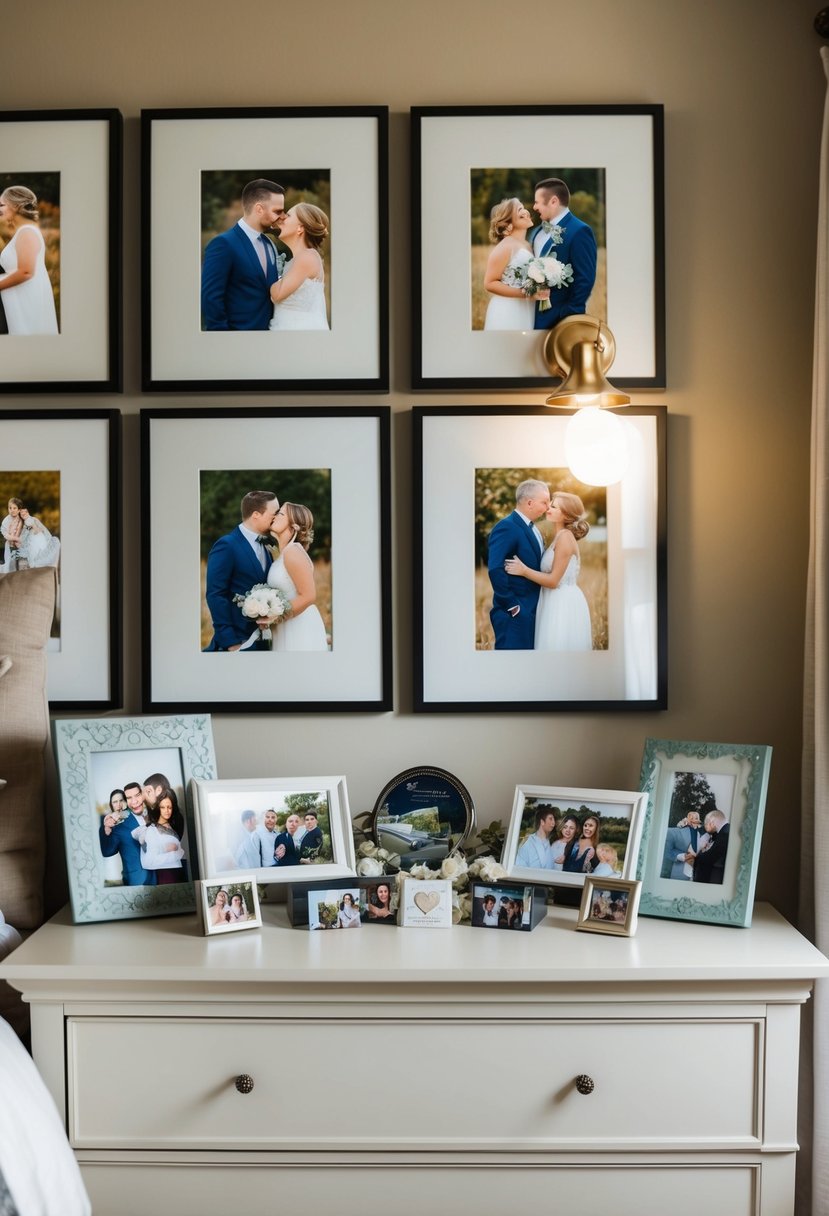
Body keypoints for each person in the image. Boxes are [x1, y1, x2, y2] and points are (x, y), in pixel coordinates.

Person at [504, 492, 592, 651]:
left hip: (562, 603)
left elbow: (553, 581)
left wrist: (523, 570)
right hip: (552, 600)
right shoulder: (559, 536)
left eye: (553, 507)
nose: (548, 509)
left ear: (565, 514)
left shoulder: (565, 537)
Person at [201, 179, 286, 331]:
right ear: (259, 209)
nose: (282, 217)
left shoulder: (269, 244)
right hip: (236, 341)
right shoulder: (223, 244)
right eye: (277, 211)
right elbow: (211, 298)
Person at [203, 489, 279, 651]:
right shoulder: (227, 545)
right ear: (256, 514)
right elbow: (216, 594)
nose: (277, 517)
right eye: (275, 513)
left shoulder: (268, 546)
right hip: (238, 642)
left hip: (263, 641)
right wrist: (230, 642)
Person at [486, 479, 551, 650]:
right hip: (514, 615)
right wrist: (513, 606)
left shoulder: (532, 527)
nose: (548, 507)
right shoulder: (507, 527)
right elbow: (495, 569)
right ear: (530, 502)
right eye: (544, 502)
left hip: (533, 611)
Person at [528, 177, 597, 330]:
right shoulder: (537, 232)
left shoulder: (580, 231)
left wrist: (567, 314)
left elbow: (585, 279)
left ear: (553, 201)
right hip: (529, 316)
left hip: (558, 321)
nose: (534, 207)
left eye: (537, 202)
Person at [260, 502, 329, 651]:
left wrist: (275, 617)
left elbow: (309, 596)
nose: (275, 516)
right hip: (287, 626)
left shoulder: (293, 552)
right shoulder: (283, 554)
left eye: (281, 514)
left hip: (298, 627)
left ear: (294, 526)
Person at [0, 185, 59, 335]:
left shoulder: (27, 232)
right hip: (20, 302)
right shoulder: (24, 231)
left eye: (2, 205)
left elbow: (26, 272)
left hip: (27, 303)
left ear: (16, 206)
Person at [481, 198, 541, 331]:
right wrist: (524, 294)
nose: (526, 211)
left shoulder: (528, 245)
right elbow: (489, 283)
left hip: (528, 308)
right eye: (519, 209)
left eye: (523, 207)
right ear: (508, 224)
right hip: (508, 310)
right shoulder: (505, 246)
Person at [269, 203, 330, 331]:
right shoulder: (297, 260)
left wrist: (270, 274)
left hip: (301, 335)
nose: (282, 219)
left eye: (288, 216)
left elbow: (277, 294)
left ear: (300, 228)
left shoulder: (307, 257)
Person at [98, 781, 157, 887]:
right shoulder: (118, 825)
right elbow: (107, 851)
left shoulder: (153, 813)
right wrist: (105, 827)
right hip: (136, 881)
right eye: (129, 798)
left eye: (137, 795)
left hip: (161, 877)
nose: (134, 801)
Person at [132, 788, 186, 885]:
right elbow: (149, 862)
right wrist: (176, 853)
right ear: (158, 808)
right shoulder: (151, 830)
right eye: (162, 807)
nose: (167, 811)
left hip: (179, 875)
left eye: (169, 807)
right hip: (164, 879)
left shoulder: (174, 826)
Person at [661, 811, 706, 881]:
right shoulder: (673, 832)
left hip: (694, 875)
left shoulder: (699, 834)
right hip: (679, 874)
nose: (696, 820)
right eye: (693, 818)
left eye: (697, 818)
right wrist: (682, 856)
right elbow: (666, 851)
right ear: (688, 819)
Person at [693, 810, 730, 884]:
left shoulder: (725, 834)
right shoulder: (723, 832)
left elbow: (709, 858)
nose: (705, 826)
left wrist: (698, 854)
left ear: (712, 822)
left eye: (706, 823)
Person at [1, 499, 25, 571]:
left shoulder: (21, 519)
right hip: (10, 545)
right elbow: (5, 534)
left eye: (14, 508)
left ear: (19, 510)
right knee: (10, 563)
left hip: (21, 545)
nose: (12, 510)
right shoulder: (6, 520)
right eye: (10, 508)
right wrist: (15, 538)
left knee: (21, 563)